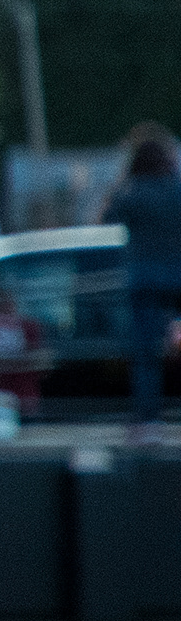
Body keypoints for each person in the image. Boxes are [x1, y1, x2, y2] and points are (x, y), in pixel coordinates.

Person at [105, 126, 181, 439]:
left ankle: (149, 421)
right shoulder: (177, 190)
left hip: (144, 279)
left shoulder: (133, 192)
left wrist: (122, 179)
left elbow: (107, 217)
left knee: (147, 354)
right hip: (178, 276)